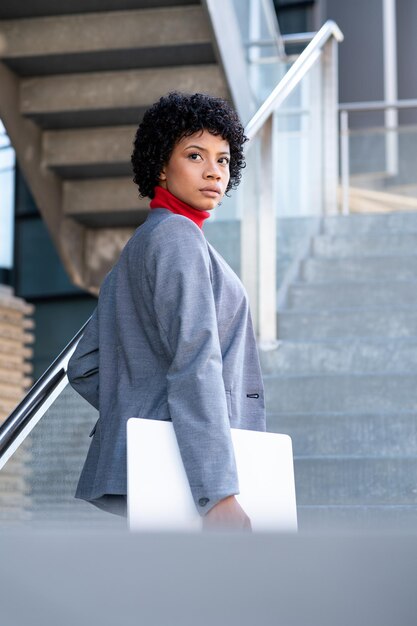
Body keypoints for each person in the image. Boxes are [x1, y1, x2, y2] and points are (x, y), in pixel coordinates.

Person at [67, 92, 266, 530]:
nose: (214, 170)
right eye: (195, 155)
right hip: (197, 476)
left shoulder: (139, 247)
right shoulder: (177, 238)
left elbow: (84, 365)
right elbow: (197, 362)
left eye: (224, 160)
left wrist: (141, 412)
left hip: (161, 468)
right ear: (161, 165)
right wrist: (218, 493)